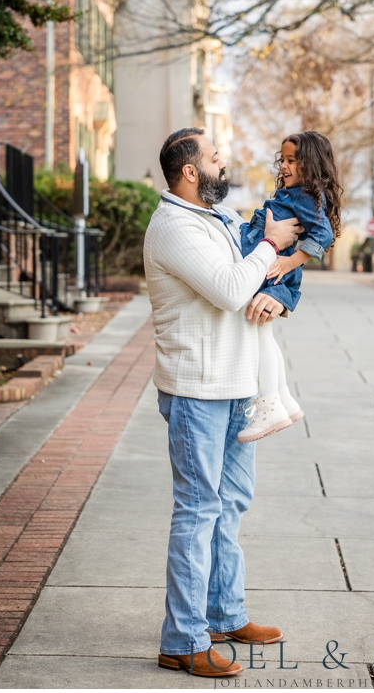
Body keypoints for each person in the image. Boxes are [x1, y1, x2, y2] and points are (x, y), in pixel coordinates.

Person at [142, 127, 302, 678]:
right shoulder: (172, 228)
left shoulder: (219, 219)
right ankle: (182, 642)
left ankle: (224, 613)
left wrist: (276, 291)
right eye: (215, 157)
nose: (224, 162)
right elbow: (232, 288)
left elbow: (259, 284)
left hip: (236, 385)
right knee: (197, 510)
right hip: (196, 391)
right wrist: (268, 246)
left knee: (231, 503)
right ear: (190, 171)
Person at [235, 131, 341, 441]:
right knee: (264, 335)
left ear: (311, 165)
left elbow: (323, 235)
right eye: (283, 159)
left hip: (273, 274)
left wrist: (289, 262)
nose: (284, 166)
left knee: (259, 337)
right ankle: (283, 399)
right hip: (273, 272)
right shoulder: (296, 194)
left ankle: (269, 406)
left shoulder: (303, 196)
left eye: (293, 160)